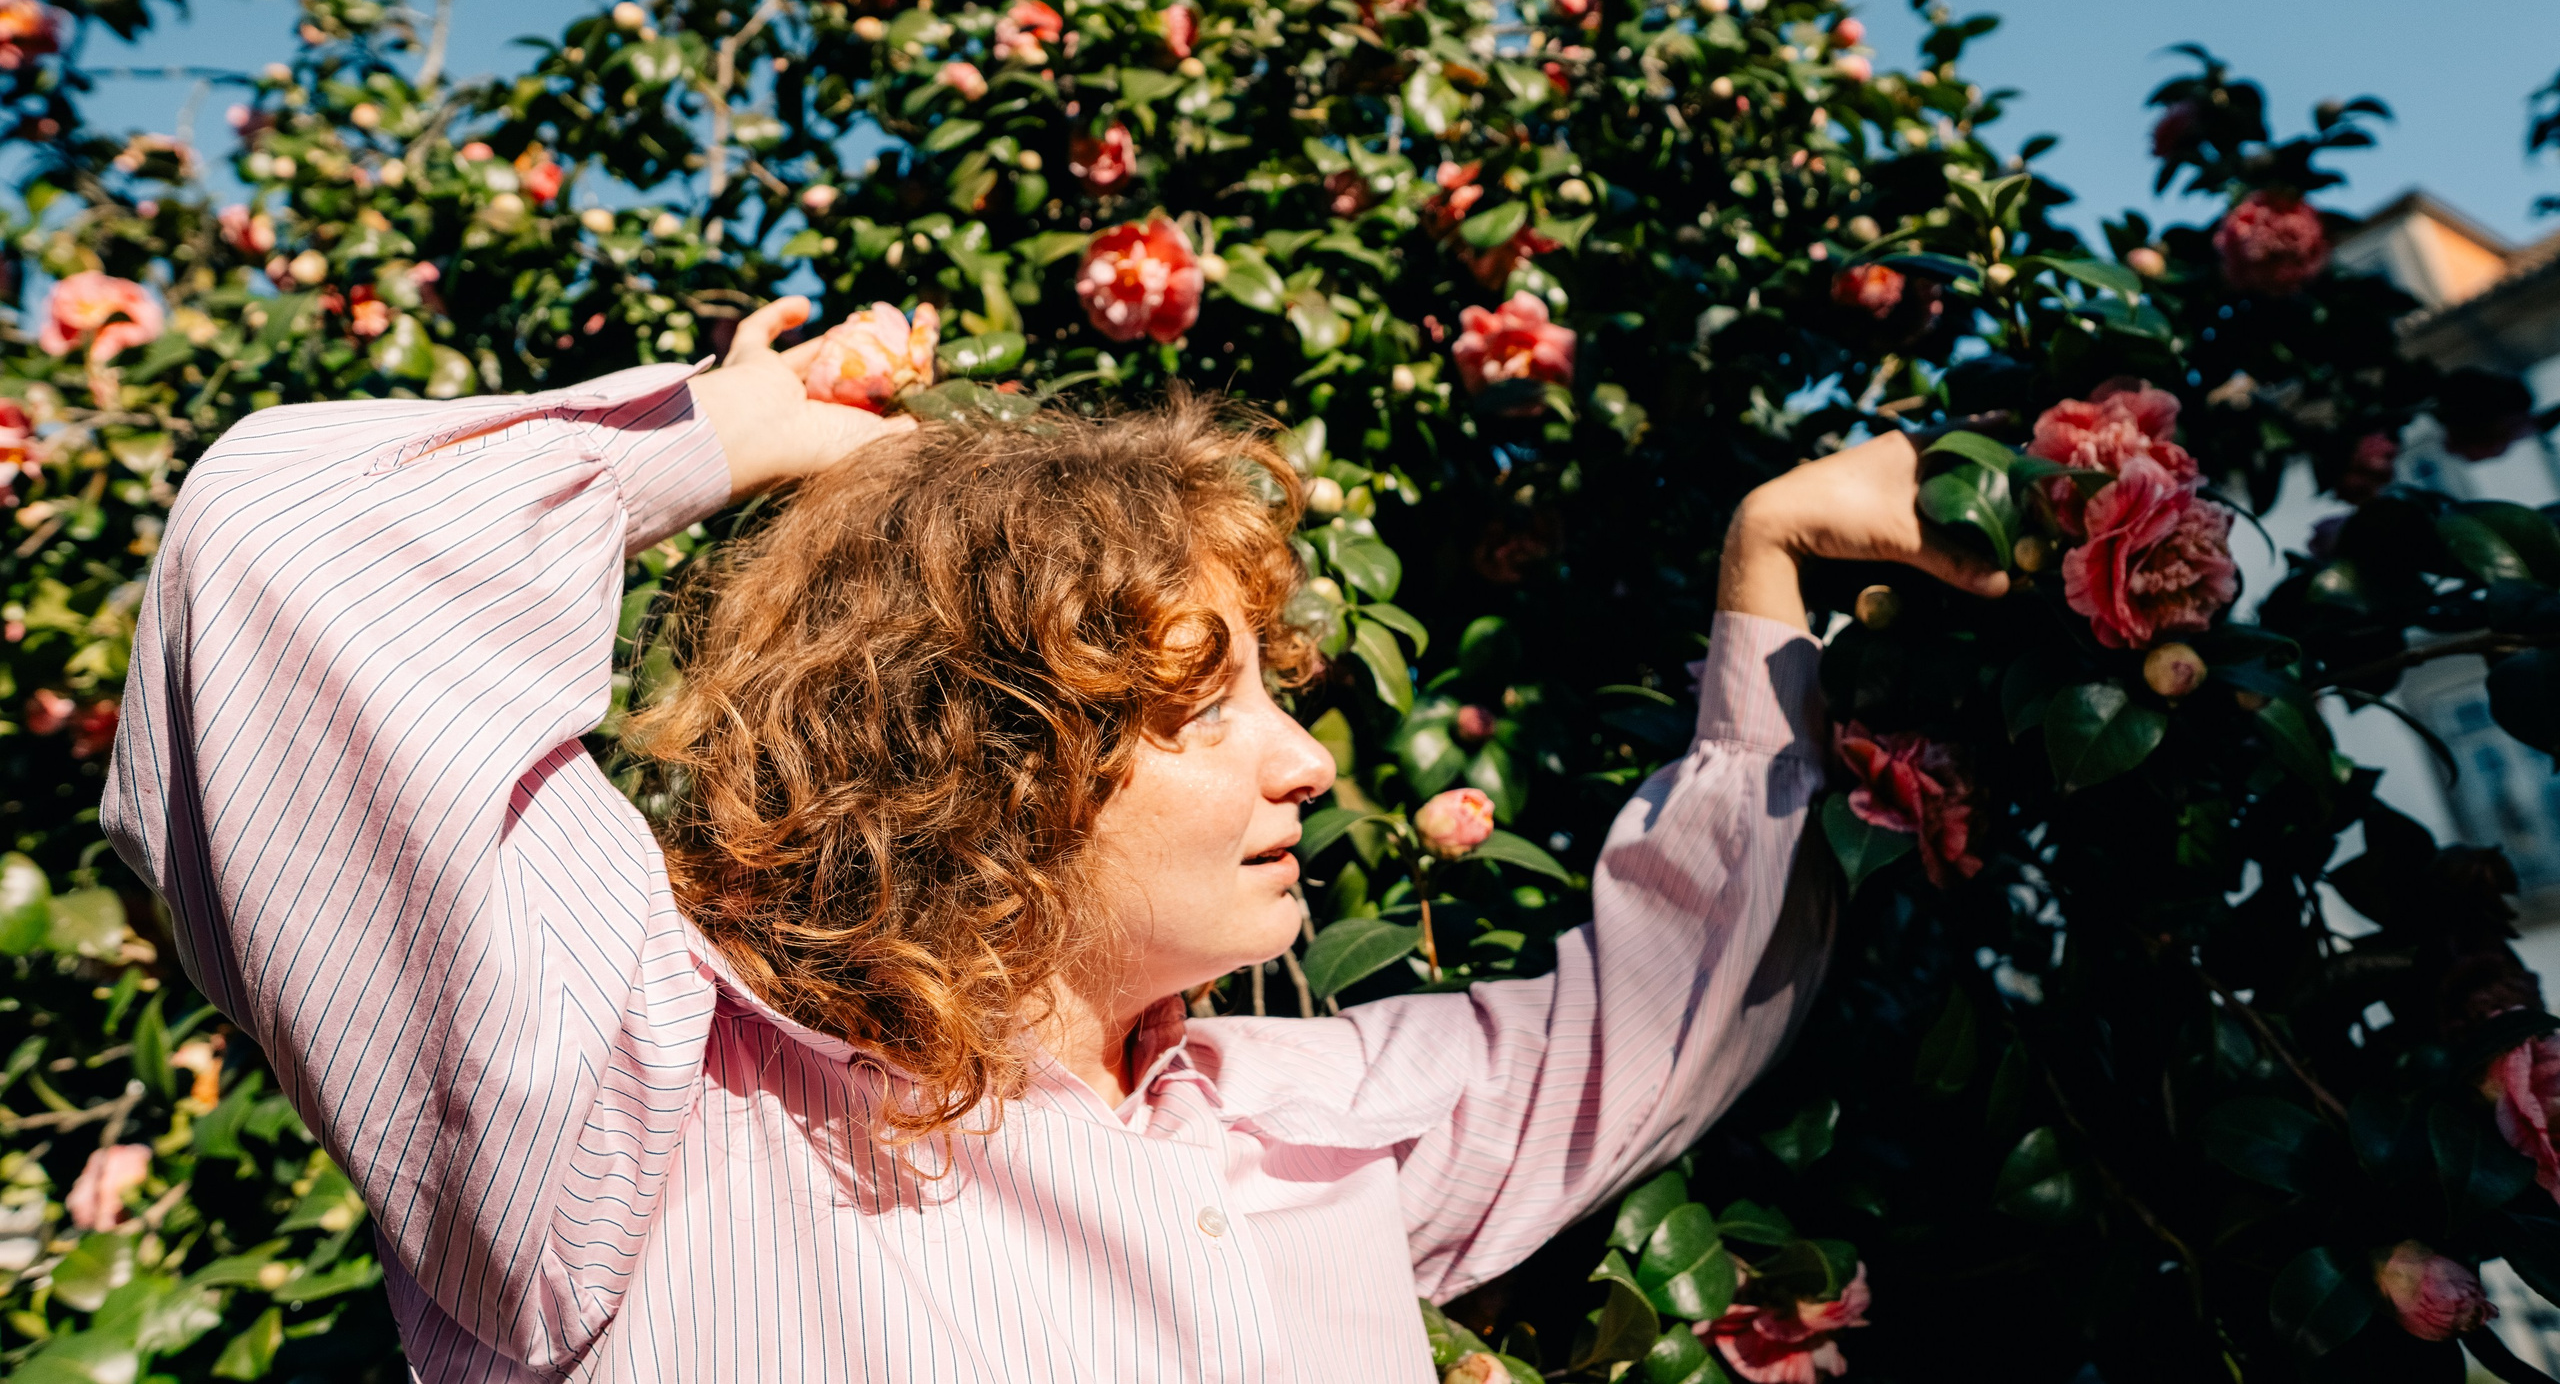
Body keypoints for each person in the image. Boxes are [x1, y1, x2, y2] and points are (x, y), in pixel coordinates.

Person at [105, 295, 2004, 1382]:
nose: (1308, 769)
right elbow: (280, 557)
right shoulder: (634, 1117)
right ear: (974, 764)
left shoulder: (1292, 1129)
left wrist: (1765, 573)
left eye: (1288, 694)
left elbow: (1654, 1020)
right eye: (1207, 707)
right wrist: (733, 431)